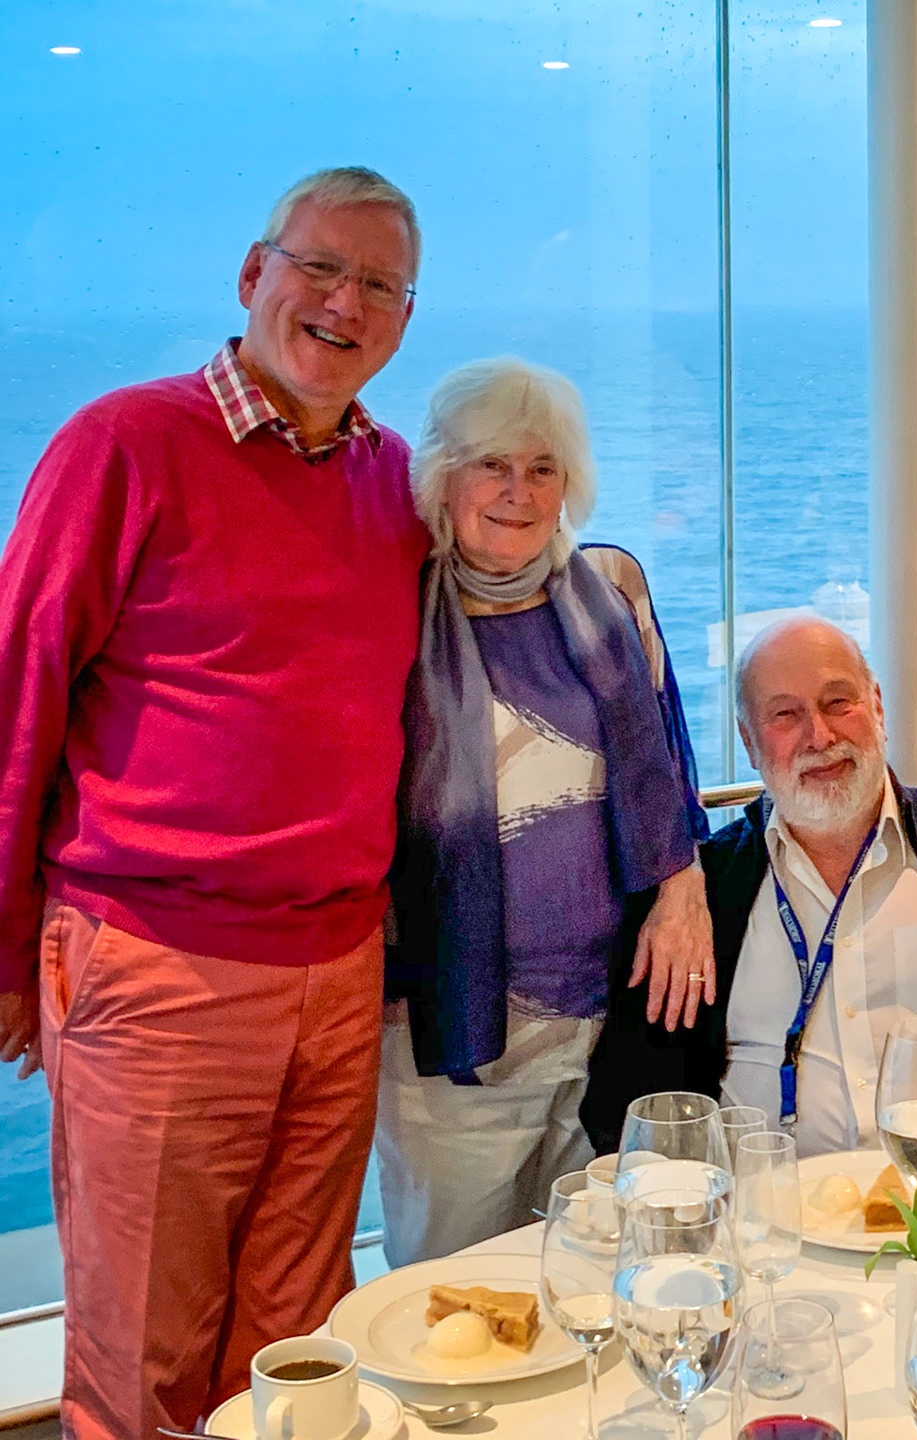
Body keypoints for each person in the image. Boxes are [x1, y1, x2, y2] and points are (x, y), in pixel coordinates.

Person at [0, 167, 427, 1439]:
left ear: (406, 319)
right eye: (320, 267)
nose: (345, 303)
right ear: (253, 276)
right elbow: (17, 697)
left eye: (380, 284)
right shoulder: (124, 445)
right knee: (141, 1362)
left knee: (298, 1357)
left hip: (343, 971)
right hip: (156, 971)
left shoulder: (396, 481)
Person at [378, 358, 710, 1265]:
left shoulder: (613, 591)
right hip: (453, 1032)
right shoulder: (394, 611)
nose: (518, 493)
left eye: (542, 467)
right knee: (454, 1284)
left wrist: (683, 894)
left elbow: (670, 767)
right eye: (492, 465)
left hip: (608, 1019)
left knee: (605, 1272)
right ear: (442, 476)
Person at [581, 616, 917, 1162]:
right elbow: (633, 1103)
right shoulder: (698, 902)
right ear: (749, 740)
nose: (820, 736)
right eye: (785, 714)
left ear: (877, 707)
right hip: (761, 1206)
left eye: (838, 703)